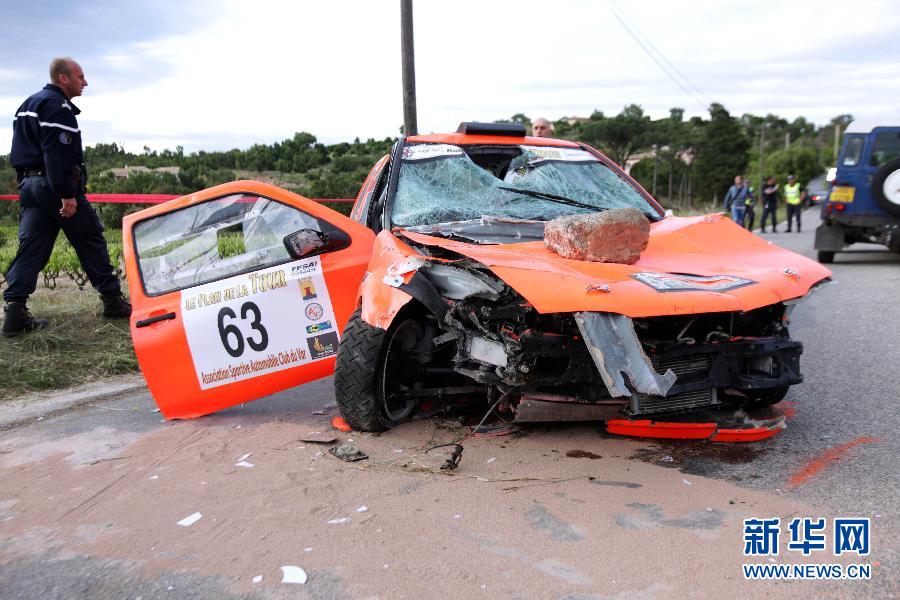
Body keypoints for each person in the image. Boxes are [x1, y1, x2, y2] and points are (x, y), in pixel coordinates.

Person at [3, 57, 131, 337]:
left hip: (29, 186)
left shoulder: (27, 105)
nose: (85, 82)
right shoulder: (58, 107)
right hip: (53, 186)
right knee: (90, 238)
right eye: (80, 77)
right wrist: (67, 194)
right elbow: (56, 153)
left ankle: (15, 310)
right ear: (63, 78)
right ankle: (112, 301)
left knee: (32, 246)